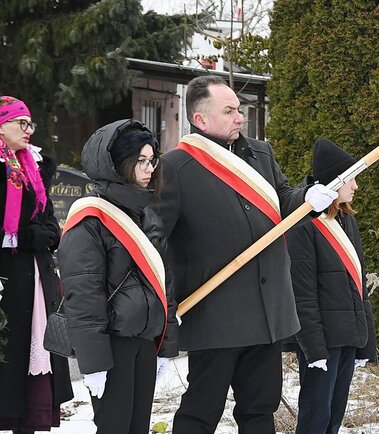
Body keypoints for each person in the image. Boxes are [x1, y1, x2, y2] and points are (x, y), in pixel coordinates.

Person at [150, 75, 338, 434]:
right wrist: (166, 307)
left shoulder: (260, 154)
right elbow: (155, 240)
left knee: (260, 410)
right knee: (201, 411)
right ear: (200, 119)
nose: (240, 117)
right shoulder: (175, 167)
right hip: (215, 316)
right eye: (229, 111)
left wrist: (307, 199)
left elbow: (283, 203)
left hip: (268, 312)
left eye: (239, 109)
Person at [57, 119, 179, 434]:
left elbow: (163, 282)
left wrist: (165, 345)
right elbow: (83, 294)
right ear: (117, 164)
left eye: (152, 160)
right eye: (140, 161)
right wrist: (94, 362)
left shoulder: (146, 213)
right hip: (112, 345)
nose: (149, 169)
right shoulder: (91, 218)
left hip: (145, 340)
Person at [285, 139, 377, 434]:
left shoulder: (346, 218)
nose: (356, 186)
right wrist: (314, 349)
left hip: (347, 337)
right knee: (316, 418)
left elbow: (359, 285)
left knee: (334, 416)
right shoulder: (303, 223)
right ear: (334, 181)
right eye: (351, 179)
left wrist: (364, 343)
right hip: (322, 341)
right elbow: (302, 294)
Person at [0, 96, 73, 433]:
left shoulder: (34, 166)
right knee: (9, 358)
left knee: (33, 362)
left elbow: (47, 218)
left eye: (30, 123)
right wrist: (25, 235)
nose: (29, 129)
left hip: (36, 278)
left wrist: (47, 234)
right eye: (21, 123)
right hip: (7, 280)